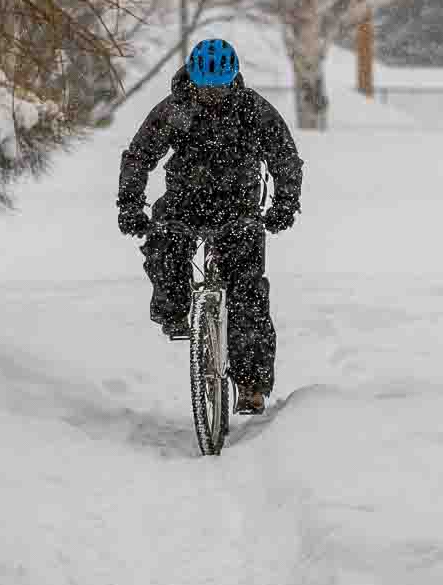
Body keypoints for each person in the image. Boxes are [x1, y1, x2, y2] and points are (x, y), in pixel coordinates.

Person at [115, 38, 303, 415]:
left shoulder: (252, 110)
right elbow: (139, 156)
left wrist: (285, 204)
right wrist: (130, 205)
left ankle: (250, 385)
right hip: (185, 203)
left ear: (232, 80)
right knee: (163, 240)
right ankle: (173, 310)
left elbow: (284, 157)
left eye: (219, 87)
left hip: (238, 208)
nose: (212, 95)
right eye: (205, 87)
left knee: (247, 295)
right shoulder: (175, 110)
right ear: (193, 80)